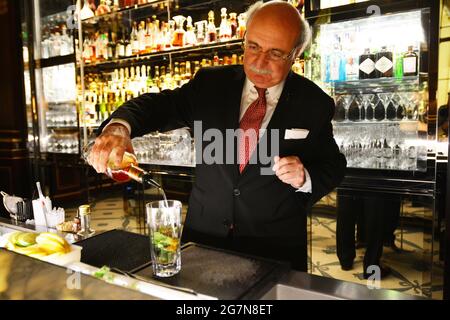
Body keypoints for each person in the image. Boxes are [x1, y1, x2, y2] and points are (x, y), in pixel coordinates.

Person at [89, 1, 346, 272]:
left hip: (274, 249)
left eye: (275, 53)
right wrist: (119, 127)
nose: (259, 62)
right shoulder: (210, 85)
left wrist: (304, 177)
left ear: (296, 53)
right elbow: (158, 106)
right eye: (253, 46)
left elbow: (333, 166)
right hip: (203, 242)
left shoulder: (313, 102)